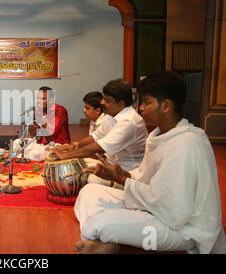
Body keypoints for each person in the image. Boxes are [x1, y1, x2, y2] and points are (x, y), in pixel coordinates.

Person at [74, 71, 226, 254]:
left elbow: (174, 211)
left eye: (147, 102)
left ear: (166, 106)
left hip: (184, 230)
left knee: (103, 223)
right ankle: (106, 240)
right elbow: (145, 178)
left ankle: (106, 238)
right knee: (90, 193)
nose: (141, 109)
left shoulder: (186, 143)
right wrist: (120, 175)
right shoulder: (158, 135)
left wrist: (123, 180)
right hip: (154, 207)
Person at [53, 79, 148, 185]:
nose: (102, 102)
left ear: (121, 104)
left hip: (128, 174)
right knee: (80, 165)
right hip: (111, 165)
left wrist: (66, 155)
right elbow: (96, 136)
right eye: (103, 98)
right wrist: (74, 145)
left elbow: (99, 147)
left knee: (88, 180)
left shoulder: (129, 121)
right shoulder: (112, 114)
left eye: (107, 100)